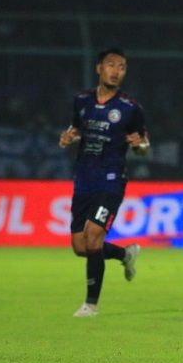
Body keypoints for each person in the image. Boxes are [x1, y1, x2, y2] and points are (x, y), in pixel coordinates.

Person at [59, 47, 150, 318]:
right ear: (99, 68)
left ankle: (90, 305)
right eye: (111, 65)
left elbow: (143, 145)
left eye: (121, 67)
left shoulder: (130, 108)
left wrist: (140, 146)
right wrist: (68, 138)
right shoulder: (82, 101)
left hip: (111, 180)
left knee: (94, 236)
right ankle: (125, 255)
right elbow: (76, 131)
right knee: (81, 247)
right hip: (84, 179)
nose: (116, 71)